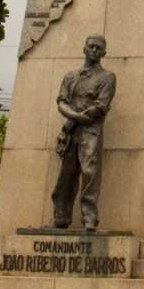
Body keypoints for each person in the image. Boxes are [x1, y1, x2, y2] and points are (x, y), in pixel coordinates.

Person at [50, 34, 116, 231]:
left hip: (91, 131)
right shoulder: (71, 77)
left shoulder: (107, 78)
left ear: (104, 53)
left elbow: (101, 105)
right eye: (91, 47)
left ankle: (89, 218)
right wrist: (76, 119)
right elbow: (62, 102)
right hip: (72, 130)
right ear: (84, 49)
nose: (94, 51)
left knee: (89, 173)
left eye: (98, 48)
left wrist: (80, 118)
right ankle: (61, 217)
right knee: (66, 175)